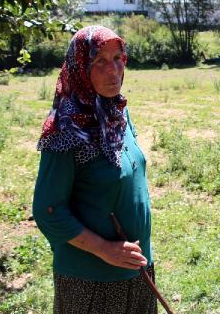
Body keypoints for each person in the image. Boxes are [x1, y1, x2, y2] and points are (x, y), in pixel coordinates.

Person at [33, 26, 156, 313]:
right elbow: (48, 211)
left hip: (137, 270)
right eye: (99, 61)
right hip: (91, 281)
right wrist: (105, 249)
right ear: (80, 67)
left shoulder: (117, 112)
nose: (113, 70)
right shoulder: (65, 129)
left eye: (117, 58)